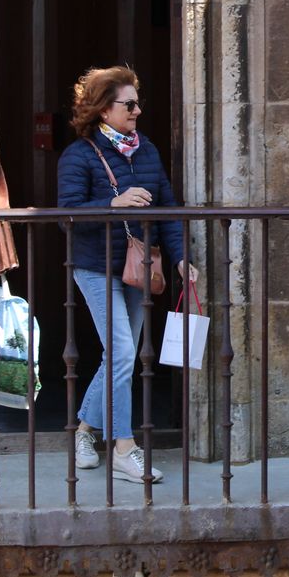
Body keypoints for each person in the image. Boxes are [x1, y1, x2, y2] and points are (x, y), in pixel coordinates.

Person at [57, 66, 197, 482]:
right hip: (95, 265)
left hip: (141, 267)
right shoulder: (79, 155)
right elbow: (67, 213)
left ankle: (83, 430)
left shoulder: (147, 151)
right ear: (104, 109)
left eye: (138, 103)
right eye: (129, 104)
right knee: (121, 352)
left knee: (122, 355)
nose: (138, 110)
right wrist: (113, 204)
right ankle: (123, 448)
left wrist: (180, 257)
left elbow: (168, 210)